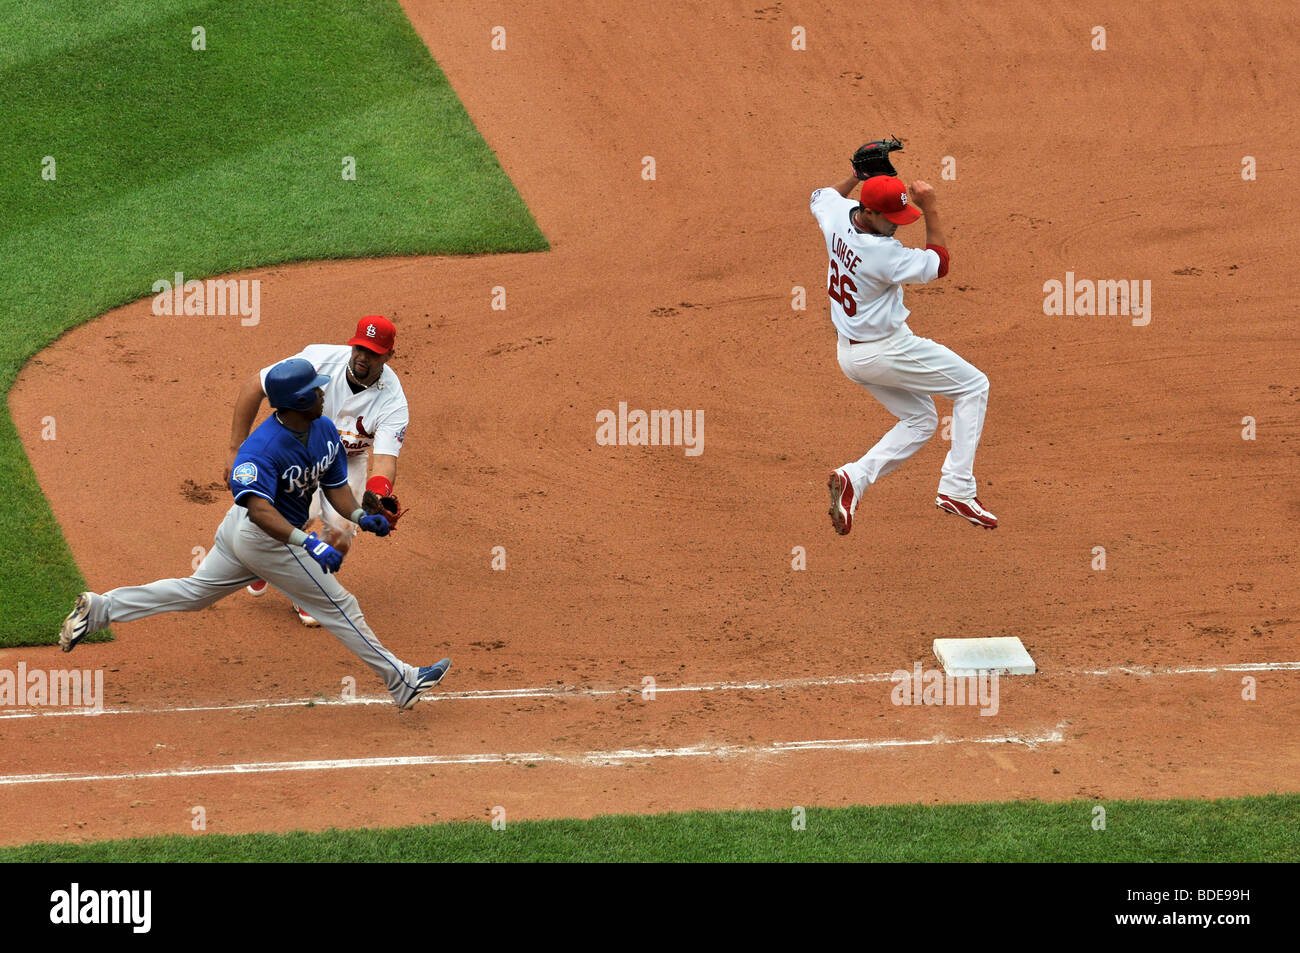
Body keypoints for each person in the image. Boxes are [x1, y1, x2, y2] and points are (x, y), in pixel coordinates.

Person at [60, 358, 450, 710]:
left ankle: (100, 609)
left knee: (194, 593)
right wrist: (308, 542)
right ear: (297, 402)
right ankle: (402, 682)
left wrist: (361, 516)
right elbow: (259, 510)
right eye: (315, 389)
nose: (322, 392)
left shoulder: (325, 428)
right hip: (263, 537)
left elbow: (334, 485)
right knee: (341, 606)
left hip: (253, 537)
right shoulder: (260, 450)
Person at [811, 166, 997, 532]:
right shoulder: (882, 254)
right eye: (891, 218)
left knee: (922, 420)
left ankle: (854, 478)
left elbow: (820, 196)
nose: (898, 224)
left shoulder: (836, 215)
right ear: (868, 212)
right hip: (886, 350)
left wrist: (855, 173)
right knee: (974, 386)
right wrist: (930, 208)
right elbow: (939, 264)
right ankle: (958, 489)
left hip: (851, 355)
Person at [223, 315, 410, 625]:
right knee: (290, 516)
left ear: (388, 356)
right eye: (359, 348)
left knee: (341, 531)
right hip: (301, 447)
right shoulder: (318, 362)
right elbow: (254, 386)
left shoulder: (393, 401)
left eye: (373, 353)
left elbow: (386, 460)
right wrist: (234, 450)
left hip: (348, 460)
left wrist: (377, 496)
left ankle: (306, 591)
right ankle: (261, 563)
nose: (363, 357)